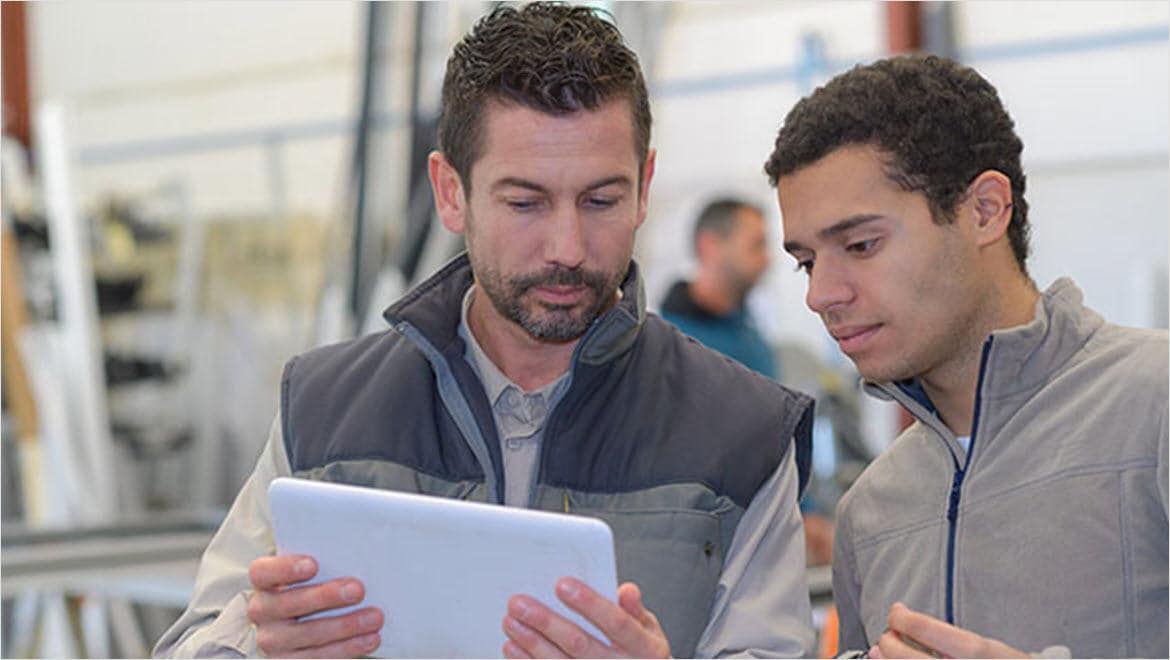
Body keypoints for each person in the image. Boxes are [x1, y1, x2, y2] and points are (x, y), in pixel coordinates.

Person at [154, 4, 816, 658]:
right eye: (524, 202)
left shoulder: (743, 436)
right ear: (450, 192)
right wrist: (259, 643)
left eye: (601, 200)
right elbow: (192, 643)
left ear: (644, 186)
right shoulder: (324, 411)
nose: (568, 246)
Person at [765, 54, 1168, 658]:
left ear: (985, 210)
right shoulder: (869, 512)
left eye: (860, 244)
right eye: (807, 261)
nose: (821, 294)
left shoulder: (1154, 406)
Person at [659, 198, 778, 380]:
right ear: (710, 245)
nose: (767, 259)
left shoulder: (753, 337)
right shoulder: (666, 344)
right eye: (756, 245)